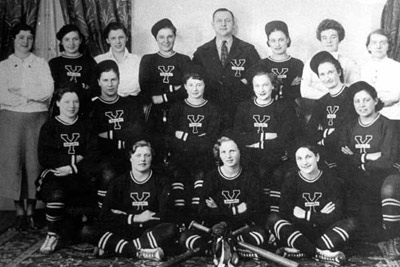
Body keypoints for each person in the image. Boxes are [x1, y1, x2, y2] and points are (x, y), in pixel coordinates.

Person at [0, 24, 54, 231]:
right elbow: (2, 95)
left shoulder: (40, 64)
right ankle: (19, 213)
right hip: (10, 120)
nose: (25, 42)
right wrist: (30, 94)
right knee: (13, 165)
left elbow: (46, 91)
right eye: (21, 37)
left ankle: (31, 212)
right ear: (13, 40)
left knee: (34, 164)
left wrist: (20, 91)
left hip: (36, 119)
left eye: (29, 38)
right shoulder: (3, 66)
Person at [179, 136, 267, 262]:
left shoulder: (250, 177)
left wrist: (219, 209)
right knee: (185, 238)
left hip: (240, 229)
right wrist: (237, 210)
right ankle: (231, 248)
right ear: (219, 155)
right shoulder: (211, 177)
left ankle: (215, 249)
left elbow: (254, 210)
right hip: (215, 229)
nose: (228, 156)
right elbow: (203, 211)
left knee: (260, 236)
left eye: (232, 151)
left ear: (240, 152)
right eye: (224, 152)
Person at [266, 144, 356, 266]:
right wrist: (320, 214)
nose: (304, 162)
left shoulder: (331, 180)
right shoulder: (291, 181)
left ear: (317, 157)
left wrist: (306, 215)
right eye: (300, 158)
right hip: (299, 232)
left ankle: (303, 250)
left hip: (324, 233)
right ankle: (318, 253)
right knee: (273, 219)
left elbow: (336, 215)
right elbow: (285, 213)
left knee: (351, 223)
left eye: (308, 157)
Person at [339, 81, 400, 258]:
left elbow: (388, 160)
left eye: (366, 100)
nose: (362, 105)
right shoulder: (349, 126)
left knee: (374, 193)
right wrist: (368, 156)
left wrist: (358, 159)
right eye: (357, 101)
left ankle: (391, 240)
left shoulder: (388, 125)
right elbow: (343, 156)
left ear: (375, 100)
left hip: (383, 176)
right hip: (358, 176)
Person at [91, 140, 177, 261]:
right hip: (124, 230)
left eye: (147, 155)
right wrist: (135, 218)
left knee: (170, 229)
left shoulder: (162, 182)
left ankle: (116, 247)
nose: (143, 159)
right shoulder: (118, 182)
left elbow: (165, 214)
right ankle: (138, 252)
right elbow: (104, 215)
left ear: (152, 158)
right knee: (87, 231)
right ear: (130, 158)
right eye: (138, 155)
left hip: (148, 231)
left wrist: (123, 216)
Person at [36, 84, 97, 254]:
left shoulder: (87, 125)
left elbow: (93, 153)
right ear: (57, 103)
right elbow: (45, 157)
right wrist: (74, 158)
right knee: (56, 193)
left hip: (78, 173)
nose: (72, 106)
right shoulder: (49, 127)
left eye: (75, 101)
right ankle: (52, 234)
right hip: (55, 174)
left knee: (77, 228)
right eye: (67, 101)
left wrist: (71, 168)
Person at [233, 67, 299, 213]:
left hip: (275, 157)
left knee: (268, 172)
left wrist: (254, 141)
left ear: (273, 86)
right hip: (249, 156)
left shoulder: (284, 107)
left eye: (265, 85)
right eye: (257, 85)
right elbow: (238, 137)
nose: (261, 89)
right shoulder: (244, 107)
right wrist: (265, 136)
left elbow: (283, 139)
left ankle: (271, 216)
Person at [192, 8, 260, 130]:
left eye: (227, 20)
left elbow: (258, 72)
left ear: (233, 24)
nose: (223, 24)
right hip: (210, 108)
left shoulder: (247, 49)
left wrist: (243, 82)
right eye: (219, 21)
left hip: (240, 108)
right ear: (212, 24)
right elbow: (194, 78)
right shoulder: (202, 52)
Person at [90, 60, 145, 209]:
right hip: (105, 157)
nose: (110, 84)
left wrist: (109, 134)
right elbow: (94, 139)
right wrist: (122, 137)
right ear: (98, 82)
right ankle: (104, 215)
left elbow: (137, 131)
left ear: (119, 80)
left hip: (128, 153)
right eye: (105, 80)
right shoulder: (93, 107)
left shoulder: (129, 104)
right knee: (108, 173)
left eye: (113, 79)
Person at [167, 66, 221, 218]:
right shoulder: (177, 108)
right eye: (191, 85)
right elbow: (170, 137)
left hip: (203, 156)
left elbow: (210, 139)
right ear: (185, 86)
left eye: (199, 84)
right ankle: (181, 218)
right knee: (178, 173)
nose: (195, 89)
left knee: (201, 173)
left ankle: (197, 216)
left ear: (205, 85)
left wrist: (183, 136)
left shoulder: (212, 109)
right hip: (180, 155)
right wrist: (197, 138)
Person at [139, 18, 191, 164]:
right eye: (161, 37)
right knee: (156, 150)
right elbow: (146, 89)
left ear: (175, 37)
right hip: (155, 113)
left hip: (179, 111)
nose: (166, 41)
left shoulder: (184, 60)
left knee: (178, 152)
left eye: (170, 36)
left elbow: (187, 90)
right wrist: (174, 88)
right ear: (156, 38)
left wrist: (162, 95)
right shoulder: (148, 60)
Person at [306, 51, 356, 169]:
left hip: (345, 147)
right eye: (322, 74)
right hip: (325, 148)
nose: (327, 78)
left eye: (330, 72)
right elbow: (310, 130)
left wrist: (323, 139)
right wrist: (325, 135)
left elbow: (346, 128)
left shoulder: (351, 95)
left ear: (339, 72)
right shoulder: (321, 102)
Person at [301, 19, 359, 100]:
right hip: (317, 104)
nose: (329, 41)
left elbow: (356, 89)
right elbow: (304, 91)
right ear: (320, 40)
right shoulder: (310, 62)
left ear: (339, 38)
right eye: (324, 38)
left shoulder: (348, 63)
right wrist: (330, 97)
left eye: (333, 37)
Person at [48, 24, 97, 117]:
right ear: (61, 42)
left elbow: (95, 88)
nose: (71, 43)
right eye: (67, 39)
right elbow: (52, 89)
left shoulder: (89, 62)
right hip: (61, 110)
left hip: (85, 109)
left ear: (81, 40)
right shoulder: (54, 63)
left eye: (75, 39)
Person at [253, 20, 303, 102]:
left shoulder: (297, 64)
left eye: (281, 40)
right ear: (268, 42)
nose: (277, 44)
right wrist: (289, 86)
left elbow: (298, 92)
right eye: (273, 41)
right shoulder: (262, 64)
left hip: (291, 109)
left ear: (287, 40)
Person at [360, 29, 400, 122]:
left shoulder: (397, 67)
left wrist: (373, 104)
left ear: (388, 46)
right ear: (368, 47)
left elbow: (395, 96)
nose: (378, 46)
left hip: (392, 116)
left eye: (383, 43)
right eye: (374, 43)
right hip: (369, 118)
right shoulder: (363, 68)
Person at [95, 22, 141, 98]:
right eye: (113, 38)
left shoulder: (137, 61)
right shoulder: (98, 60)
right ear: (107, 40)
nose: (118, 42)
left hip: (132, 104)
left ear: (127, 38)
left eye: (121, 37)